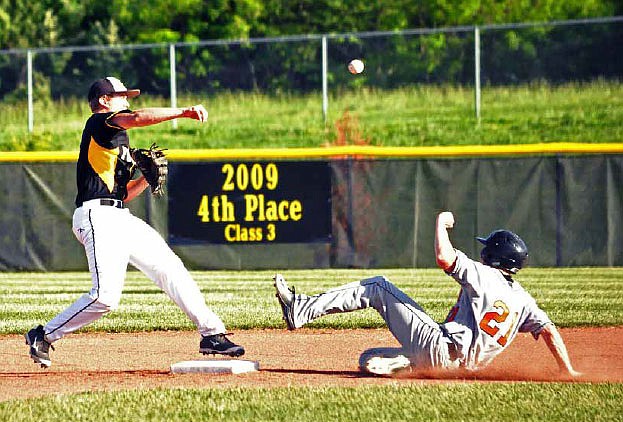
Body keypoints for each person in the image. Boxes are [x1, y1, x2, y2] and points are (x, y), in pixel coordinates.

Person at [25, 76, 244, 368]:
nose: (127, 101)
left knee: (169, 267)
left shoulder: (117, 143)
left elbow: (123, 195)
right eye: (121, 96)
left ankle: (212, 334)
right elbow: (138, 117)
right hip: (96, 216)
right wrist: (183, 111)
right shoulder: (99, 123)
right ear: (104, 101)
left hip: (117, 216)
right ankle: (44, 335)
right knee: (104, 298)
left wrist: (146, 179)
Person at [274, 211, 580, 377]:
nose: (483, 251)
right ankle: (410, 363)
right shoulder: (524, 300)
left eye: (487, 248)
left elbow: (445, 258)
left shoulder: (485, 275)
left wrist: (440, 223)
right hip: (460, 370)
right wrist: (567, 370)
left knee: (377, 286)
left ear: (496, 258)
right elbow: (549, 330)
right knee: (366, 359)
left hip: (439, 345)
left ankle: (301, 310)